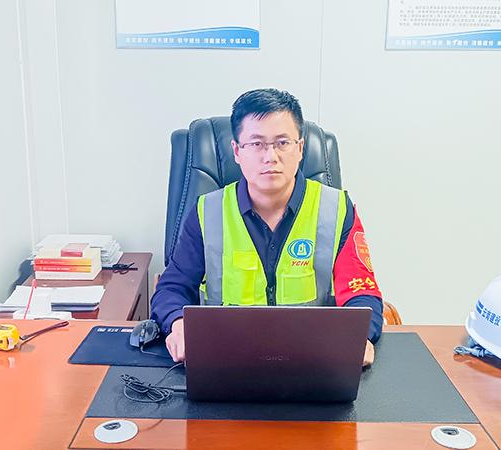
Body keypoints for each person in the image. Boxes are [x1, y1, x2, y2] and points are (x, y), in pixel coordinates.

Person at [151, 88, 384, 366]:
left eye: (282, 142)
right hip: (226, 359)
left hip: (312, 361)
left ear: (300, 149)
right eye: (256, 144)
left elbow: (362, 293)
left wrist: (359, 336)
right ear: (237, 151)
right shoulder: (208, 212)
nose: (270, 156)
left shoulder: (336, 210)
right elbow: (172, 289)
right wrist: (178, 324)